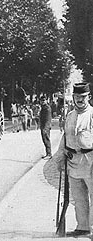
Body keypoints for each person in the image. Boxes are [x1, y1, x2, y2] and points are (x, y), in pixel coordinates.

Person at [52, 82, 93, 237]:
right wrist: (60, 157)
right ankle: (82, 227)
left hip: (90, 162)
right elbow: (65, 137)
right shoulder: (70, 115)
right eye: (77, 97)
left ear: (88, 97)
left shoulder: (92, 114)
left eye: (82, 97)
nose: (79, 100)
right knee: (79, 197)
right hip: (73, 162)